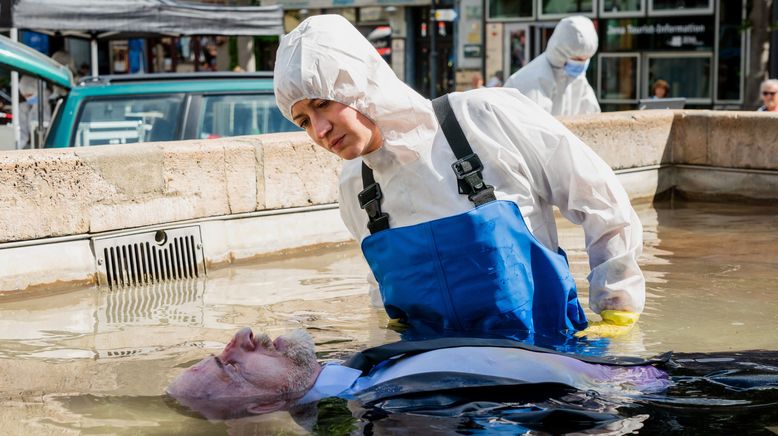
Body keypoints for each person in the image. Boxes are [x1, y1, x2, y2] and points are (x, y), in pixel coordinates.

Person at [274, 15, 644, 338]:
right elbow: (383, 290)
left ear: (358, 83)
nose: (319, 130)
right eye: (304, 120)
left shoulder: (483, 117)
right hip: (440, 391)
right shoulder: (356, 186)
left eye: (322, 103)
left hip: (545, 373)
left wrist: (617, 307)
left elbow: (599, 197)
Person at [167, 327, 778, 425]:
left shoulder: (363, 365)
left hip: (669, 367)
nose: (240, 338)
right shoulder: (376, 420)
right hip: (687, 401)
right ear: (253, 404)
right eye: (229, 362)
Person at [503, 16, 600, 116]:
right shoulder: (529, 81)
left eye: (586, 59)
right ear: (560, 53)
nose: (581, 64)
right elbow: (533, 127)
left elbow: (591, 114)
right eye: (577, 59)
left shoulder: (577, 78)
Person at [18, 75, 51, 149]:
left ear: (38, 91)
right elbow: (22, 133)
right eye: (25, 96)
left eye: (29, 95)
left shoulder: (51, 104)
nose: (27, 98)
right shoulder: (24, 107)